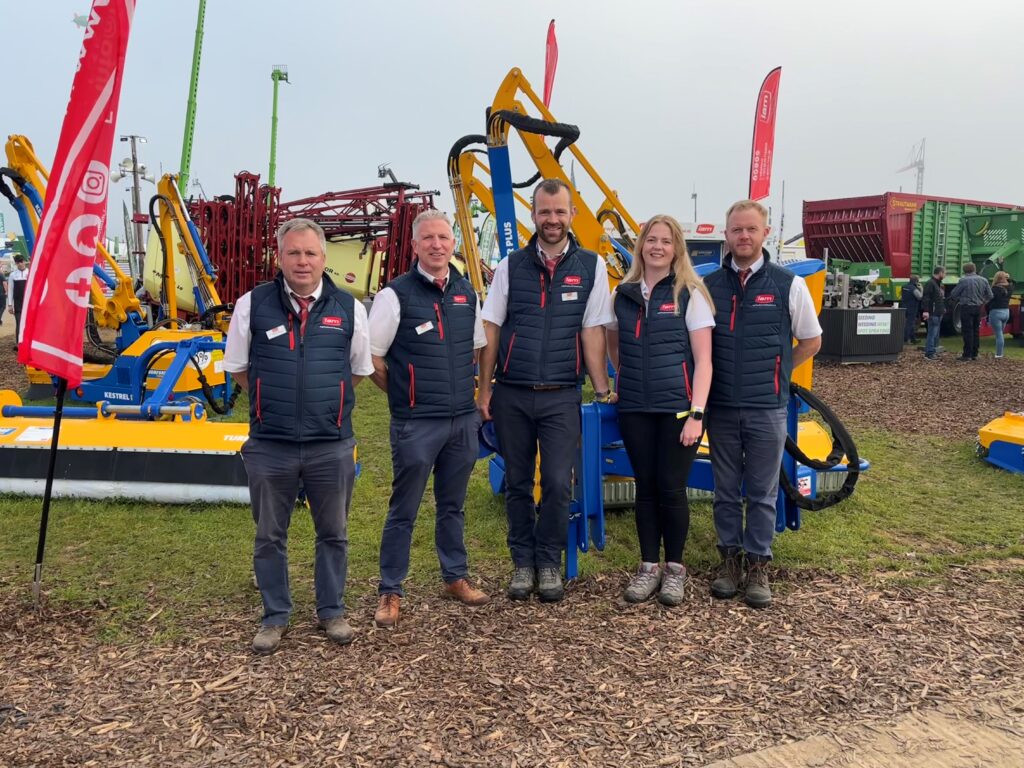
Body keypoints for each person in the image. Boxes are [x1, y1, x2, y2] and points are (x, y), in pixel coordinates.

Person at [223, 218, 373, 654]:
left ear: (324, 259)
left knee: (334, 532)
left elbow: (359, 369)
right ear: (279, 258)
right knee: (270, 534)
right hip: (272, 444)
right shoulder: (252, 305)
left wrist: (326, 404)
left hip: (332, 443)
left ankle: (332, 611)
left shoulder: (349, 308)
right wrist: (275, 401)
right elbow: (238, 367)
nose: (302, 261)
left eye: (310, 253)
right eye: (293, 252)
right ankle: (275, 616)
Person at [478, 178, 614, 603]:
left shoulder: (591, 267)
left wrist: (602, 387)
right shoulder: (510, 267)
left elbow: (592, 331)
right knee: (518, 481)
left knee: (557, 481)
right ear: (533, 215)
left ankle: (549, 561)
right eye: (544, 212)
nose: (552, 219)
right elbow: (491, 328)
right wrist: (485, 390)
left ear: (572, 215)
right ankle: (522, 562)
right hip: (512, 393)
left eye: (559, 211)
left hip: (561, 394)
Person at [367, 210, 490, 628]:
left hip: (461, 421)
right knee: (405, 508)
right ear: (415, 246)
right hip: (417, 423)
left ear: (453, 243)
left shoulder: (465, 292)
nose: (437, 245)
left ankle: (454, 577)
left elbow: (475, 348)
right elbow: (373, 358)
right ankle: (390, 590)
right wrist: (405, 394)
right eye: (428, 239)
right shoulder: (394, 295)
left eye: (444, 237)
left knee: (452, 505)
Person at [703, 200, 822, 609]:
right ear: (727, 234)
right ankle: (728, 560)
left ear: (765, 234)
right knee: (724, 488)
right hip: (719, 405)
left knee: (762, 490)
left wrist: (780, 368)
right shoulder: (708, 287)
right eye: (736, 230)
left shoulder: (789, 285)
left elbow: (811, 340)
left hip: (767, 406)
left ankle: (757, 564)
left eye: (751, 229)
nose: (744, 236)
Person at [605, 215, 714, 606]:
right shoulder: (624, 293)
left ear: (676, 248)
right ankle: (648, 566)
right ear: (640, 246)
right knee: (645, 488)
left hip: (677, 410)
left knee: (671, 487)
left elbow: (704, 360)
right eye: (651, 240)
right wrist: (623, 378)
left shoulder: (690, 293)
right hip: (635, 407)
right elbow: (614, 343)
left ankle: (675, 570)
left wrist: (697, 412)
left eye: (665, 241)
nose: (657, 247)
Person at [949, 262, 992, 362]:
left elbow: (954, 294)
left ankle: (967, 354)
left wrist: (961, 297)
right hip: (978, 307)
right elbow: (990, 295)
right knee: (976, 330)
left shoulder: (963, 281)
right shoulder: (983, 280)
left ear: (964, 270)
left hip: (966, 307)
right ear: (974, 269)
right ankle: (975, 353)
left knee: (967, 331)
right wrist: (983, 301)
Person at [921, 266, 946, 361]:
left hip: (938, 311)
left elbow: (938, 298)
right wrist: (926, 311)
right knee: (932, 333)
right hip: (933, 312)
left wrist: (942, 308)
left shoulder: (937, 283)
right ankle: (929, 353)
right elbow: (926, 297)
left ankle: (933, 350)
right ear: (940, 273)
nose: (945, 275)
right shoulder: (931, 283)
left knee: (935, 333)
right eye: (944, 273)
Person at [7, 254, 29, 348]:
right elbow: (10, 290)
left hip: (29, 303)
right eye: (18, 262)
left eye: (22, 261)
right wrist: (10, 305)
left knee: (29, 324)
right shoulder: (12, 275)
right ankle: (19, 344)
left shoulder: (30, 273)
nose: (20, 264)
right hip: (18, 304)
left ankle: (29, 343)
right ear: (16, 263)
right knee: (19, 323)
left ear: (24, 261)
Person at [989, 271, 1012, 359]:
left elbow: (989, 299)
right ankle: (999, 352)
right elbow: (1013, 282)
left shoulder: (994, 289)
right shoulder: (1009, 287)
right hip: (1006, 311)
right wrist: (1007, 277)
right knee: (1000, 333)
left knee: (998, 334)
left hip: (996, 312)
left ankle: (999, 354)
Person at [899, 275, 923, 344]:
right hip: (912, 307)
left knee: (910, 323)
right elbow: (919, 297)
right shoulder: (914, 289)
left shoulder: (904, 287)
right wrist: (921, 289)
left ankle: (913, 338)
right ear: (916, 281)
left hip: (904, 306)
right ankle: (906, 339)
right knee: (910, 323)